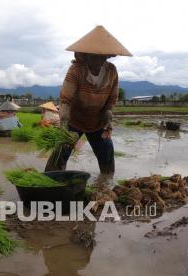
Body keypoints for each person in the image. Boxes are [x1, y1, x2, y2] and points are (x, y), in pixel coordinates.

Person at [45, 25, 132, 174]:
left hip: (98, 122)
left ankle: (106, 183)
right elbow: (65, 101)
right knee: (60, 153)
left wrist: (108, 116)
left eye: (101, 57)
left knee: (106, 155)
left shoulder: (111, 71)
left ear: (106, 56)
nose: (97, 60)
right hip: (74, 120)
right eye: (93, 56)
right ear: (85, 56)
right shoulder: (77, 70)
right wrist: (64, 127)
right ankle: (51, 179)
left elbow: (111, 100)